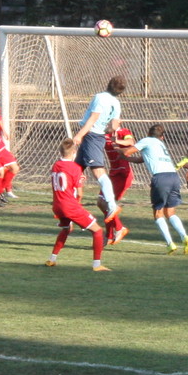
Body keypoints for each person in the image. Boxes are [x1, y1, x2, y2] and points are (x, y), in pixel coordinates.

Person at [126, 123, 188, 255]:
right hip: (173, 176)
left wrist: (119, 151)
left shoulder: (147, 140)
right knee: (171, 212)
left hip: (160, 178)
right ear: (162, 137)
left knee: (158, 213)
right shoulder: (160, 144)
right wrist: (127, 158)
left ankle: (170, 244)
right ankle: (184, 236)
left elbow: (128, 151)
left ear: (149, 134)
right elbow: (141, 159)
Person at [46, 137, 110, 271]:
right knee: (97, 231)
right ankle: (97, 265)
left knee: (66, 229)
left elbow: (64, 178)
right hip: (69, 205)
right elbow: (79, 193)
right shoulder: (75, 168)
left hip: (57, 205)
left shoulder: (56, 165)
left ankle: (52, 259)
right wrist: (78, 204)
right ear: (74, 152)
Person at [69, 75, 127, 219]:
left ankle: (112, 205)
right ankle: (68, 204)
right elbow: (114, 126)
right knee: (74, 171)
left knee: (98, 172)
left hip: (91, 136)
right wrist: (104, 131)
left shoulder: (100, 98)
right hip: (97, 136)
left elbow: (92, 119)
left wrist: (79, 135)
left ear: (108, 84)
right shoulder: (116, 103)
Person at [102, 123, 136, 243]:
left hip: (123, 174)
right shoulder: (104, 133)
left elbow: (131, 141)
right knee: (103, 204)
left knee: (106, 204)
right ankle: (113, 232)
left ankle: (112, 233)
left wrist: (117, 141)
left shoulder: (123, 132)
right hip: (112, 173)